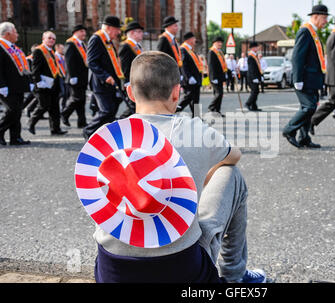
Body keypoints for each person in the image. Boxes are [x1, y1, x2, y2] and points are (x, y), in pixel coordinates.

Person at [78, 50, 266, 283]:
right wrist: (201, 171)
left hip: (113, 272)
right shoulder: (195, 132)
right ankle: (235, 276)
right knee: (231, 174)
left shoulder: (103, 138)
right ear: (177, 93)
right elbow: (234, 155)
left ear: (130, 92)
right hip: (182, 271)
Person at [282, 4, 329, 149]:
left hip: (312, 79)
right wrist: (297, 79)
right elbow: (297, 57)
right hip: (304, 79)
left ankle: (304, 138)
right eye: (324, 18)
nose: (326, 21)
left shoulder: (313, 32)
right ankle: (289, 130)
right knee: (308, 107)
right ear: (315, 16)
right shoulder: (305, 31)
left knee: (311, 107)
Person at [83, 15, 124, 139]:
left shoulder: (107, 40)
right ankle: (88, 131)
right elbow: (91, 62)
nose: (119, 32)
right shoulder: (96, 39)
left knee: (112, 111)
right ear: (109, 28)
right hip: (101, 82)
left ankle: (107, 137)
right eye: (117, 29)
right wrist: (105, 76)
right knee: (106, 110)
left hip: (110, 82)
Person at [28, 31, 67, 136]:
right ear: (43, 39)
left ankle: (55, 129)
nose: (51, 40)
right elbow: (35, 69)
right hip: (43, 84)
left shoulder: (51, 51)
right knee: (43, 105)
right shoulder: (38, 51)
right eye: (49, 38)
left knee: (55, 108)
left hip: (53, 84)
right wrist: (38, 82)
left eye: (53, 39)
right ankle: (31, 122)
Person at [0, 22, 32, 146]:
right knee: (12, 110)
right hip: (6, 86)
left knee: (17, 111)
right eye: (15, 32)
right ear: (8, 34)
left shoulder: (13, 47)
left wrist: (28, 82)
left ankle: (15, 137)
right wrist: (1, 85)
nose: (17, 34)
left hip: (17, 85)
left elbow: (22, 66)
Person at [61, 25, 89, 129]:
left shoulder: (82, 44)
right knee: (76, 98)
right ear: (75, 32)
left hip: (82, 76)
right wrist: (72, 75)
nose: (84, 34)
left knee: (81, 100)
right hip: (75, 77)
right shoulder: (70, 43)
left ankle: (81, 121)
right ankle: (64, 113)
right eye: (81, 31)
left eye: (84, 31)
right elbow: (69, 61)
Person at [118, 21, 144, 119]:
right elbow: (125, 65)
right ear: (132, 33)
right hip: (131, 81)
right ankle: (119, 122)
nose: (142, 34)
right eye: (139, 32)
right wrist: (127, 81)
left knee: (135, 106)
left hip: (138, 80)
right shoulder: (126, 46)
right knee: (132, 106)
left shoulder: (137, 45)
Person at [177, 32, 203, 118]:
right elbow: (184, 65)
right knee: (188, 97)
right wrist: (189, 77)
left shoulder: (191, 49)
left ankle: (197, 117)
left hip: (195, 78)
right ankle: (175, 110)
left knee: (195, 99)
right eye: (194, 38)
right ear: (190, 39)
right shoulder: (183, 49)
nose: (195, 40)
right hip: (190, 79)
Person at [207, 36, 227, 117]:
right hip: (215, 77)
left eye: (221, 42)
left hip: (220, 76)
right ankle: (211, 107)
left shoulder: (220, 52)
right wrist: (213, 78)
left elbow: (222, 65)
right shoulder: (212, 52)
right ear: (214, 43)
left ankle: (217, 111)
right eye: (218, 42)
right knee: (219, 93)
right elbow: (211, 66)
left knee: (219, 94)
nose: (220, 44)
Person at [245, 42, 263, 111]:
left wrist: (260, 75)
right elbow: (252, 68)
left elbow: (257, 67)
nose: (258, 48)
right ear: (253, 48)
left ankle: (254, 106)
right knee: (255, 91)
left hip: (255, 76)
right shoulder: (251, 56)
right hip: (252, 77)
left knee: (256, 91)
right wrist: (254, 78)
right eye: (256, 47)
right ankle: (248, 103)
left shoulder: (255, 56)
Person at [55, 43, 68, 111]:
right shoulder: (54, 56)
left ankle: (63, 107)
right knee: (62, 93)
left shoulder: (63, 56)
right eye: (62, 48)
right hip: (58, 77)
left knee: (66, 93)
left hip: (64, 76)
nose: (63, 50)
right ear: (57, 48)